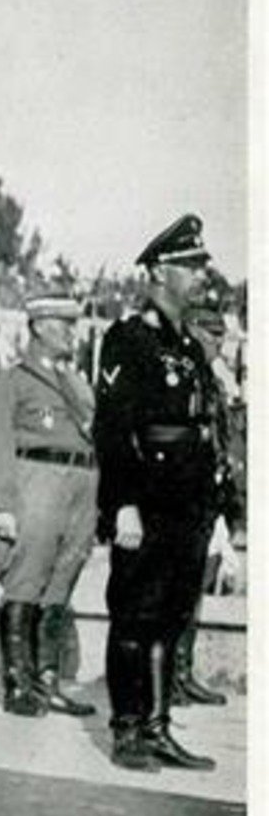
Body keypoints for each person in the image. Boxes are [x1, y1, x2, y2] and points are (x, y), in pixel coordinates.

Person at [93, 213, 219, 772]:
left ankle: (159, 727)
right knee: (134, 616)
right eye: (191, 268)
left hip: (189, 504)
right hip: (145, 502)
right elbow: (114, 428)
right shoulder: (129, 339)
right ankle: (126, 731)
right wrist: (122, 504)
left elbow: (204, 428)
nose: (201, 278)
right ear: (160, 272)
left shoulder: (191, 349)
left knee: (172, 617)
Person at [0, 293, 99, 718]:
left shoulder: (76, 382)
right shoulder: (13, 381)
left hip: (82, 484)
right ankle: (17, 683)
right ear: (40, 327)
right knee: (26, 579)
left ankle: (48, 682)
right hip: (38, 480)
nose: (71, 332)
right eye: (63, 324)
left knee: (61, 582)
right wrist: (2, 505)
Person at [169, 288, 240, 707]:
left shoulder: (212, 378)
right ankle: (168, 677)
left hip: (208, 495)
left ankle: (183, 669)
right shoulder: (181, 375)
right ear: (194, 333)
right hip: (180, 493)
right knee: (175, 589)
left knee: (197, 582)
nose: (219, 345)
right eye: (212, 337)